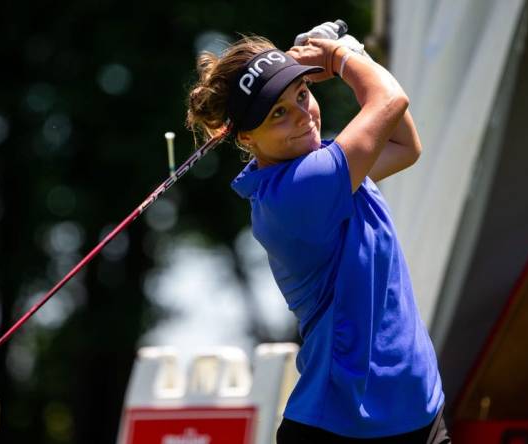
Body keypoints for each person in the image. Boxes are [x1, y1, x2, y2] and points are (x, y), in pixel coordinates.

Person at [185, 21, 450, 444]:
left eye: (302, 95)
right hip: (344, 425)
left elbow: (404, 145)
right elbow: (390, 99)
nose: (303, 116)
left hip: (417, 413)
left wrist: (347, 58)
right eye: (279, 114)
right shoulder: (298, 192)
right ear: (247, 138)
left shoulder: (325, 166)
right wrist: (337, 56)